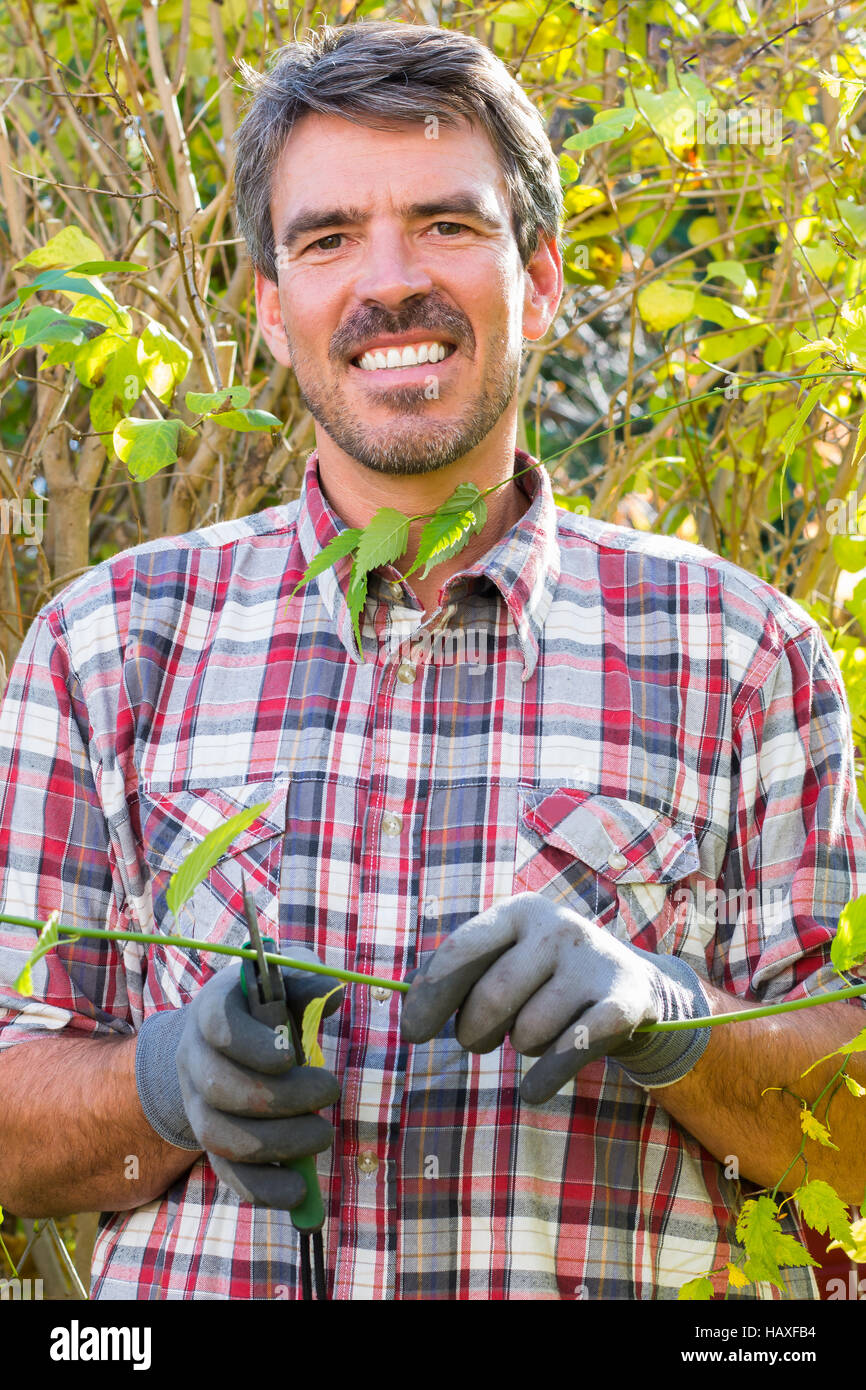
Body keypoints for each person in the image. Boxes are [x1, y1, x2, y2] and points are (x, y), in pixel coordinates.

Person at [0, 20, 865, 1302]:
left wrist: (672, 1016)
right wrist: (164, 1080)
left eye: (448, 225)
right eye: (327, 236)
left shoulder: (744, 657)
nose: (388, 281)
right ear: (269, 306)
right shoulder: (105, 642)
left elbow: (847, 1150)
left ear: (545, 279)